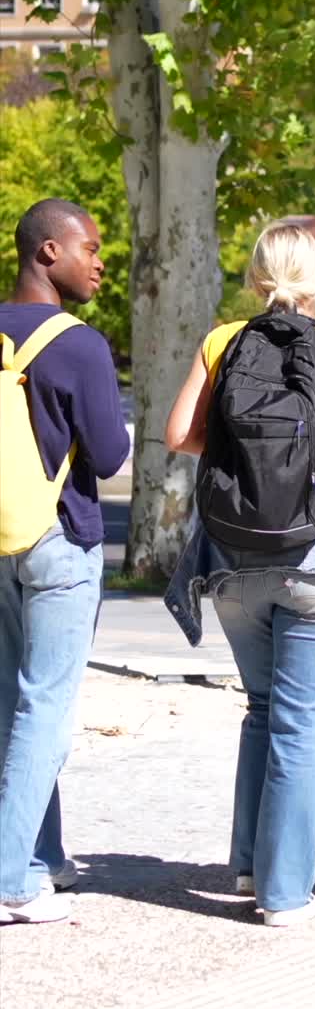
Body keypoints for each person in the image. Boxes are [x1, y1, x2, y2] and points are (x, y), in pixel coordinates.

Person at [166, 221, 315, 927]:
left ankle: (245, 865)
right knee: (299, 728)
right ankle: (285, 892)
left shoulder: (223, 340)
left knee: (261, 711)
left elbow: (180, 435)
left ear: (256, 272)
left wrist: (240, 464)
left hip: (234, 559)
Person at [0, 199, 130, 924]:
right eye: (90, 246)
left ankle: (43, 856)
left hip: (1, 537)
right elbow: (109, 457)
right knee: (45, 707)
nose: (99, 260)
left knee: (12, 705)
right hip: (60, 539)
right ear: (47, 253)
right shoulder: (79, 345)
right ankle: (11, 878)